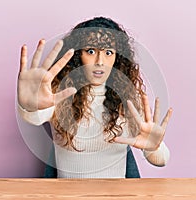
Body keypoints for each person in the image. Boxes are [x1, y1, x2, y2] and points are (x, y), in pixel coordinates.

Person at [17, 16, 173, 178]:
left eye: (108, 52)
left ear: (117, 58)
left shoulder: (128, 100)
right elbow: (35, 117)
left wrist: (153, 147)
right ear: (78, 56)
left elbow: (162, 159)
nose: (100, 61)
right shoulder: (58, 94)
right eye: (91, 51)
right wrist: (29, 106)